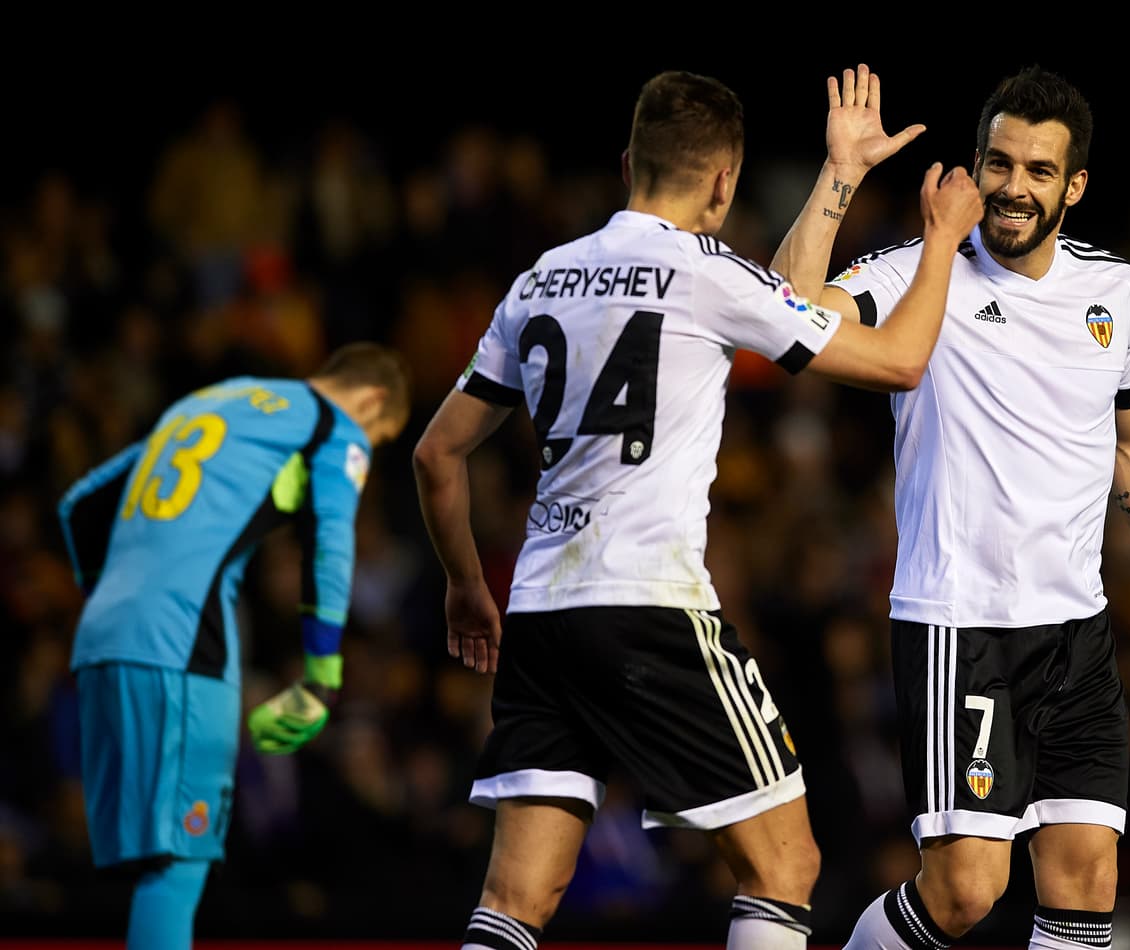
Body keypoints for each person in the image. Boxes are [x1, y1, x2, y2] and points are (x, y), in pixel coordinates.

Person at [412, 65, 982, 950]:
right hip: (648, 607)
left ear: (630, 159)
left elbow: (437, 454)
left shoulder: (540, 280)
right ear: (724, 180)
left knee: (517, 895)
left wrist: (462, 585)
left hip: (540, 612)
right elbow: (900, 360)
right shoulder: (704, 271)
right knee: (783, 867)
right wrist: (942, 239)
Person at [796, 65, 1130, 950]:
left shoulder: (1116, 294)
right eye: (1000, 163)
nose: (1015, 186)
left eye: (1040, 170)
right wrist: (840, 177)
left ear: (1075, 186)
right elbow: (787, 318)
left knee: (1089, 873)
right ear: (973, 167)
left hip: (1079, 631)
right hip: (961, 627)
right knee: (965, 895)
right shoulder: (915, 272)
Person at [57, 341, 410, 949]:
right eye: (379, 440)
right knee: (176, 867)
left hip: (103, 637)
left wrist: (119, 596)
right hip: (184, 645)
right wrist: (322, 677)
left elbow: (80, 504)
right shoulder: (335, 426)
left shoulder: (210, 404)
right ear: (374, 400)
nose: (366, 454)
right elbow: (330, 545)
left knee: (133, 869)